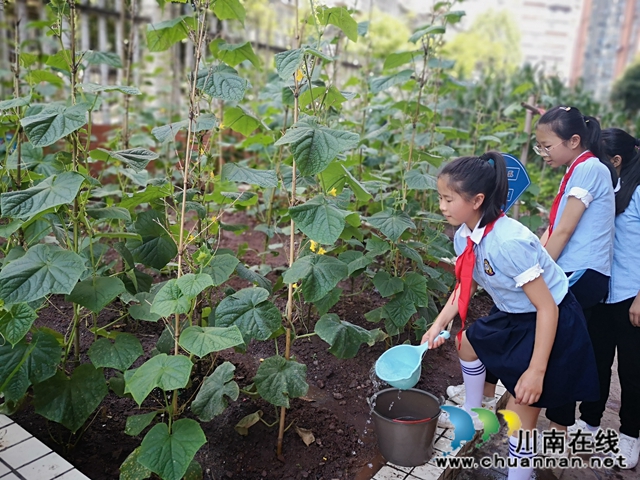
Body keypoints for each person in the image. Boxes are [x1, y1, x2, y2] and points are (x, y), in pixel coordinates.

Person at [423, 151, 598, 480]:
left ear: (476, 200)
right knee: (468, 343)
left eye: (448, 199)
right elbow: (465, 285)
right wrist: (437, 324)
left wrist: (536, 370)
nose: (442, 206)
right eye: (440, 197)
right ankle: (475, 414)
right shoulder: (466, 236)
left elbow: (547, 308)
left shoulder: (508, 243)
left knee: (523, 411)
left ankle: (522, 475)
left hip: (551, 320)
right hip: (515, 313)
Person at [534, 105, 616, 432]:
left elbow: (564, 230)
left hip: (582, 274)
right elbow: (553, 228)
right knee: (559, 349)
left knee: (559, 351)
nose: (542, 153)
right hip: (573, 272)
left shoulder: (590, 169)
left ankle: (557, 432)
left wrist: (538, 273)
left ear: (574, 140)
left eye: (547, 146)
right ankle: (556, 428)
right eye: (539, 146)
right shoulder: (575, 169)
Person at [567, 128, 640, 469]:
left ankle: (629, 435)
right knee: (596, 362)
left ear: (616, 160)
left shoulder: (637, 192)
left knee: (632, 369)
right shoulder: (608, 186)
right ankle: (590, 422)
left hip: (630, 295)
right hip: (602, 290)